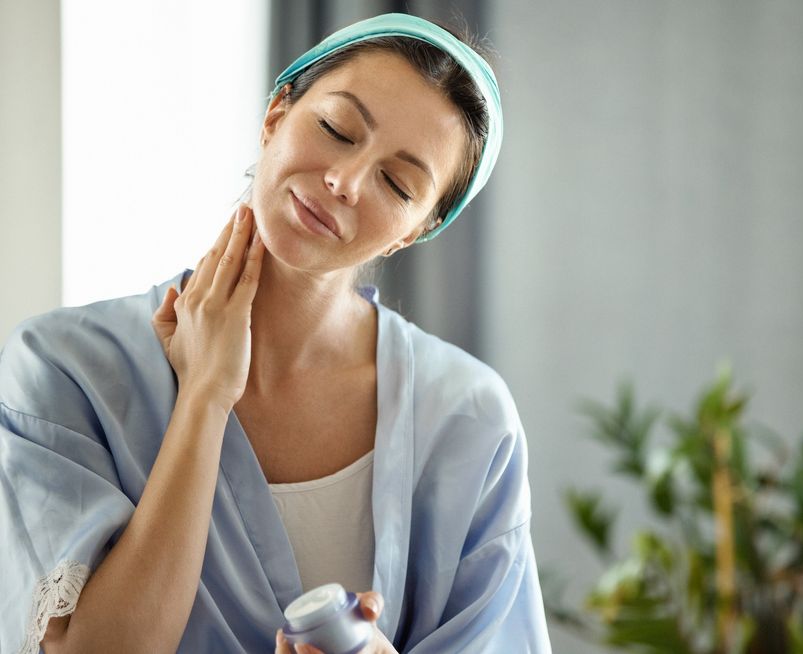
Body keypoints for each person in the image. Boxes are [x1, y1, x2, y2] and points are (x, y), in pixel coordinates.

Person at [0, 13, 551, 653]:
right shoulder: (60, 368)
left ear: (414, 232)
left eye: (397, 183)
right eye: (336, 129)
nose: (343, 182)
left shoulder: (469, 417)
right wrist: (204, 398)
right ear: (275, 114)